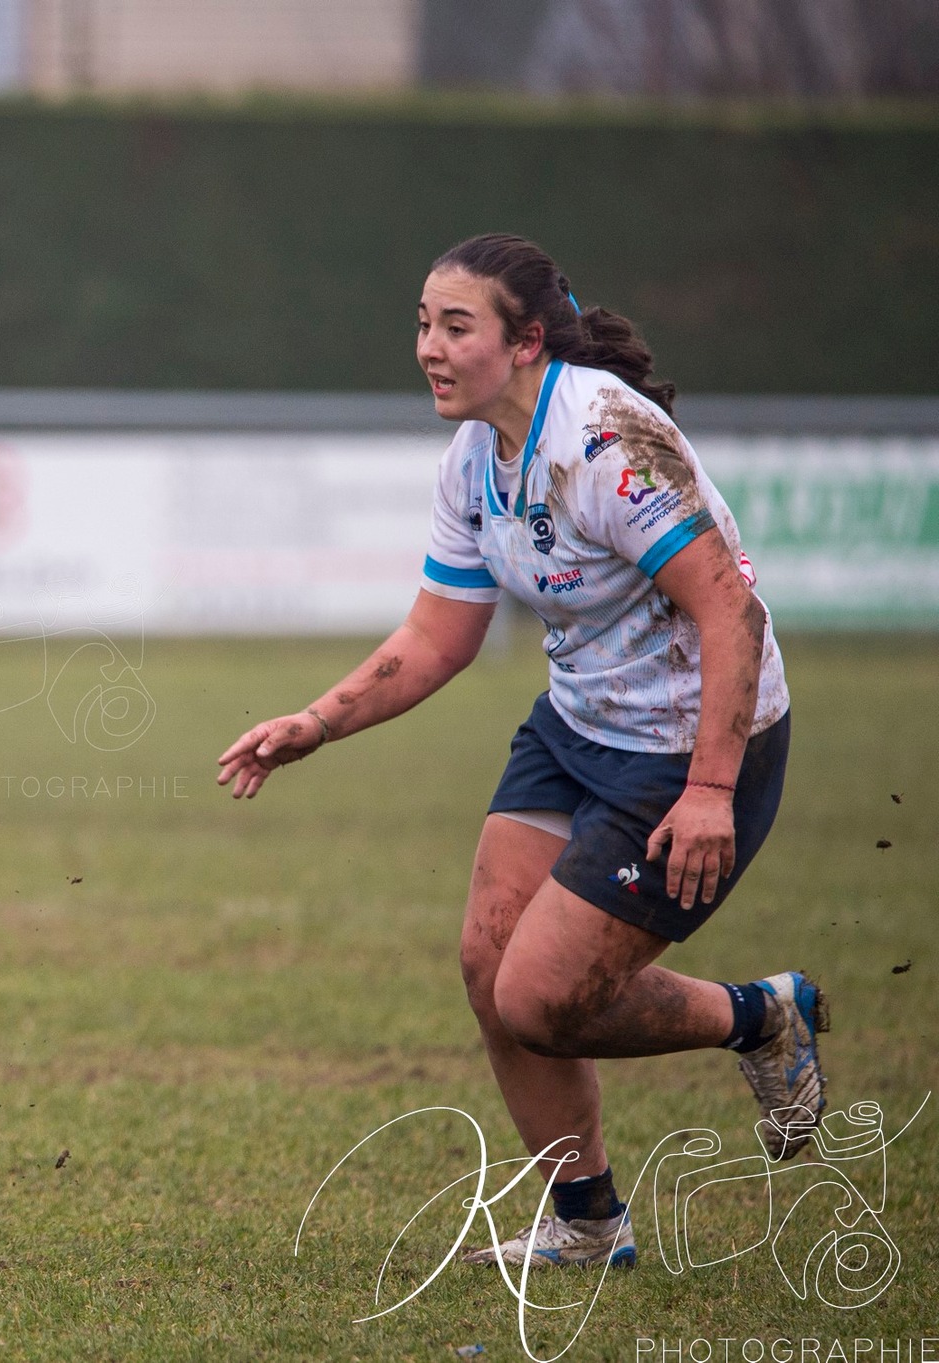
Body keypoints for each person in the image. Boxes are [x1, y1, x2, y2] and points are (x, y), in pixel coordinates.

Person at [218, 233, 825, 1271]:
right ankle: (585, 1221)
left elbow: (729, 608)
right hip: (575, 725)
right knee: (486, 963)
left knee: (539, 1001)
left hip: (688, 746)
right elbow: (433, 638)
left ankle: (760, 1016)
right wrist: (313, 722)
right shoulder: (471, 458)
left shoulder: (602, 443)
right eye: (421, 322)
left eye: (454, 326)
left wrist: (710, 789)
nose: (427, 347)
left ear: (525, 341)